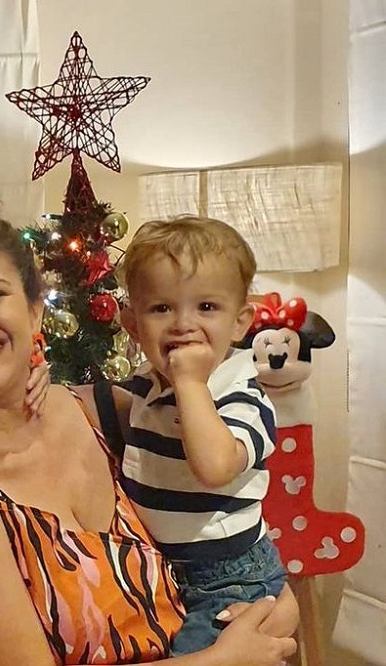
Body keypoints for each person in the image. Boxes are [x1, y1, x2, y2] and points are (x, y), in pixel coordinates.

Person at [0, 168, 298, 665]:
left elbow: (234, 524)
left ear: (35, 310)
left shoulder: (104, 412)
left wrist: (275, 611)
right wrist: (219, 661)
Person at [113, 217, 288, 654]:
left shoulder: (241, 397)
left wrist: (191, 384)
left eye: (206, 307)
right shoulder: (147, 383)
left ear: (239, 323)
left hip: (231, 577)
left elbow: (214, 468)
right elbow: (85, 402)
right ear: (133, 324)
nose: (183, 324)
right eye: (161, 308)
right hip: (166, 568)